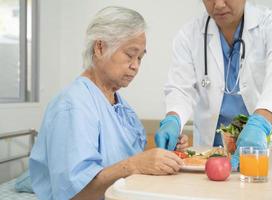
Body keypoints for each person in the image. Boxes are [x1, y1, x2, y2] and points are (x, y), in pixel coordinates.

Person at [29, 6, 188, 200]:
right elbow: (73, 193)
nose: (136, 66)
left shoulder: (122, 108)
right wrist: (135, 165)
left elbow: (126, 158)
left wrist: (164, 155)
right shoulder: (73, 106)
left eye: (140, 58)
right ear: (100, 47)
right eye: (130, 55)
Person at [155, 0, 272, 170]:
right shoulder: (189, 34)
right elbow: (180, 88)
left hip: (264, 147)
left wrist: (261, 123)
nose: (219, 5)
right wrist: (173, 119)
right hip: (212, 155)